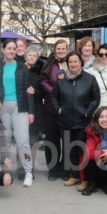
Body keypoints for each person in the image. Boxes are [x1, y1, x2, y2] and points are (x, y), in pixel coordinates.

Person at [51, 52, 100, 188]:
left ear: (81, 63)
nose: (73, 64)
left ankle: (85, 177)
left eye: (75, 62)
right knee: (69, 149)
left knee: (82, 149)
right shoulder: (61, 79)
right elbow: (53, 97)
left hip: (82, 122)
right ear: (67, 63)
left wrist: (88, 112)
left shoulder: (90, 79)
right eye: (70, 62)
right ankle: (74, 175)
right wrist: (58, 109)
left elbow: (96, 98)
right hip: (65, 121)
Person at [0, 39, 35, 186]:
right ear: (3, 50)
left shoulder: (22, 67)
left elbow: (29, 90)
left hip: (20, 106)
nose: (12, 51)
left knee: (23, 141)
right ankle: (5, 170)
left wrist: (31, 111)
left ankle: (28, 172)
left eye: (14, 49)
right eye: (9, 48)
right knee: (4, 141)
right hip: (2, 107)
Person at [40, 39, 69, 181]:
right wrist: (55, 92)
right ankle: (52, 169)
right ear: (54, 49)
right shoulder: (48, 63)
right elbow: (43, 81)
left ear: (67, 49)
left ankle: (64, 169)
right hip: (51, 107)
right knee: (52, 140)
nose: (61, 51)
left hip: (68, 108)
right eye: (58, 49)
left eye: (63, 49)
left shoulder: (72, 62)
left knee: (67, 140)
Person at [81, 106, 107, 196]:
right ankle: (91, 183)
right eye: (101, 117)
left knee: (105, 159)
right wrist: (106, 153)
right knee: (91, 158)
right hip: (98, 160)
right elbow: (89, 152)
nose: (105, 120)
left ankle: (106, 183)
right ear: (96, 119)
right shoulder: (92, 131)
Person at [25, 46, 45, 176]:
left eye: (34, 56)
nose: (32, 57)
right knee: (23, 140)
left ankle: (30, 168)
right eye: (30, 55)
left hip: (37, 109)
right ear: (25, 56)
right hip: (23, 107)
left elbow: (43, 92)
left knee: (33, 140)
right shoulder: (19, 70)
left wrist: (35, 92)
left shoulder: (40, 72)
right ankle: (24, 166)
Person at [86, 43, 107, 112]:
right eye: (101, 55)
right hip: (95, 110)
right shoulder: (90, 71)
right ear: (98, 56)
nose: (104, 57)